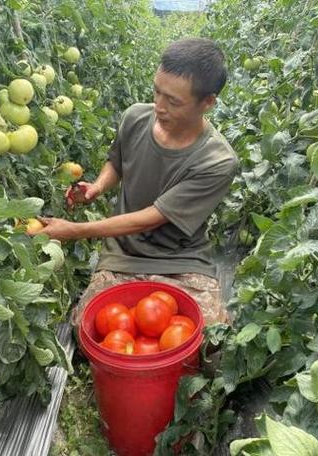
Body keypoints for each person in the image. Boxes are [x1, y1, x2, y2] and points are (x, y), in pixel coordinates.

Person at [38, 37, 238, 327]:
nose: (159, 106)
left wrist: (75, 230)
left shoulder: (217, 161)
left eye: (173, 101)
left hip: (182, 259)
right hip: (123, 253)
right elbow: (117, 162)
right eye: (157, 92)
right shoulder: (134, 117)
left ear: (207, 102)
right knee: (89, 328)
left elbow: (151, 218)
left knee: (209, 341)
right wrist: (98, 186)